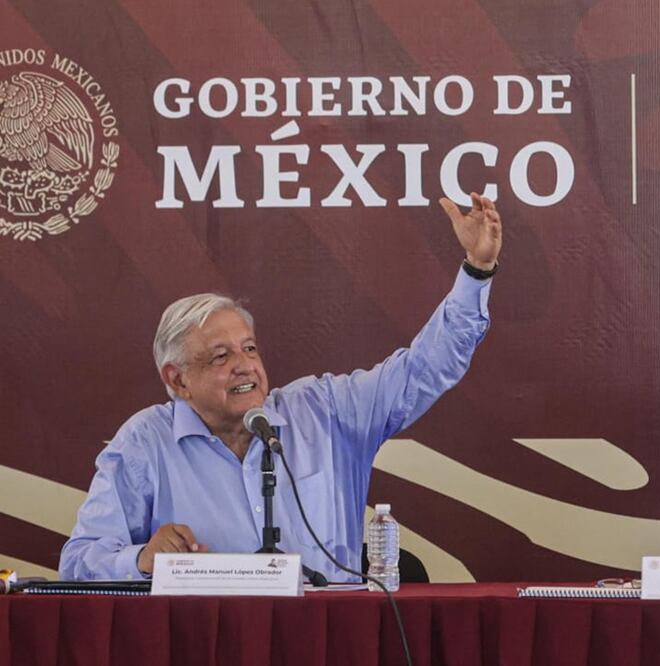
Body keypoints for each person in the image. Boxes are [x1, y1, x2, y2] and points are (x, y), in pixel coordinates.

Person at [59, 194, 502, 581]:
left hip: (328, 636)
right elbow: (78, 562)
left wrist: (477, 270)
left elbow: (424, 369)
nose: (245, 366)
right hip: (210, 639)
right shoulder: (145, 443)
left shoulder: (327, 412)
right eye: (221, 356)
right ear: (177, 379)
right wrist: (141, 559)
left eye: (249, 348)